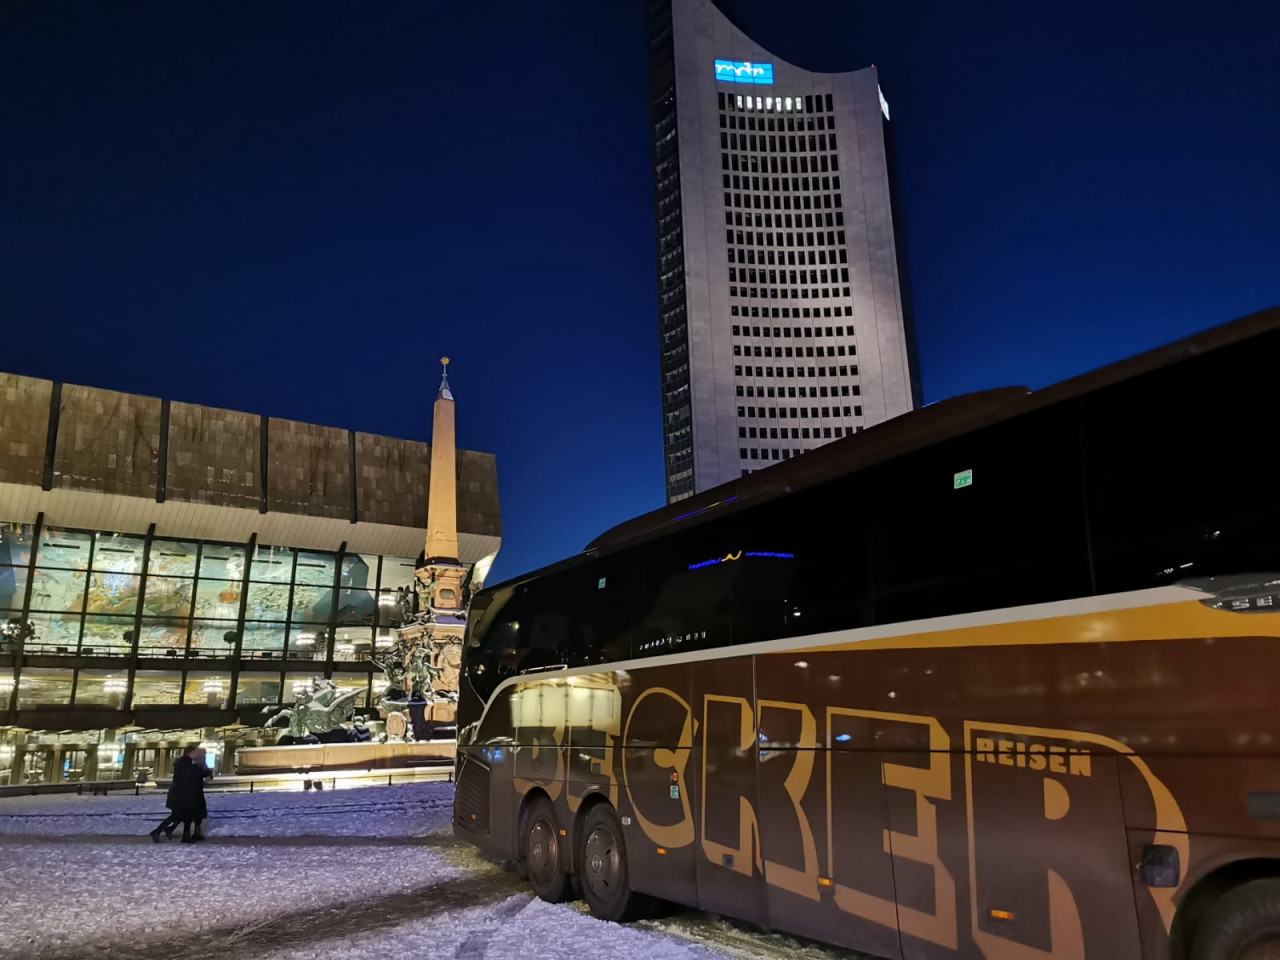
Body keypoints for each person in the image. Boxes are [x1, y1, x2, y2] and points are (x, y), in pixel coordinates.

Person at [148, 745, 198, 843]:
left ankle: (170, 831)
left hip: (179, 793)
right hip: (181, 794)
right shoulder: (186, 763)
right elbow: (186, 778)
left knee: (183, 815)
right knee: (179, 815)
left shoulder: (184, 762)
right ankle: (159, 831)